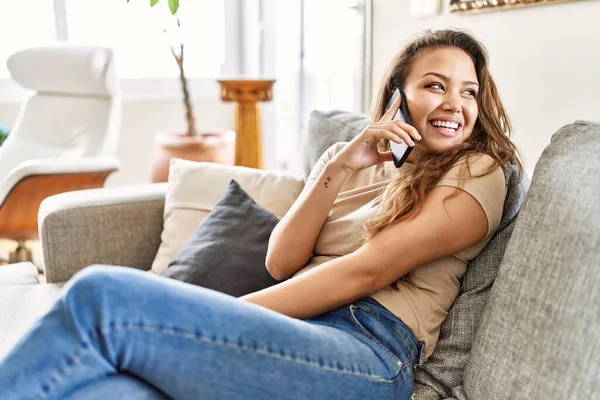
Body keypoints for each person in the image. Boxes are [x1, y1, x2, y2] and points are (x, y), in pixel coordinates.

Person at [0, 28, 523, 400]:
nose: (456, 103)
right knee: (115, 389)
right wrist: (342, 163)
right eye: (436, 85)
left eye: (469, 90)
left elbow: (370, 270)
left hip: (367, 351)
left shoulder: (477, 171)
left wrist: (226, 315)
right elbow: (281, 259)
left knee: (100, 295)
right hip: (297, 333)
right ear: (397, 97)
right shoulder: (348, 160)